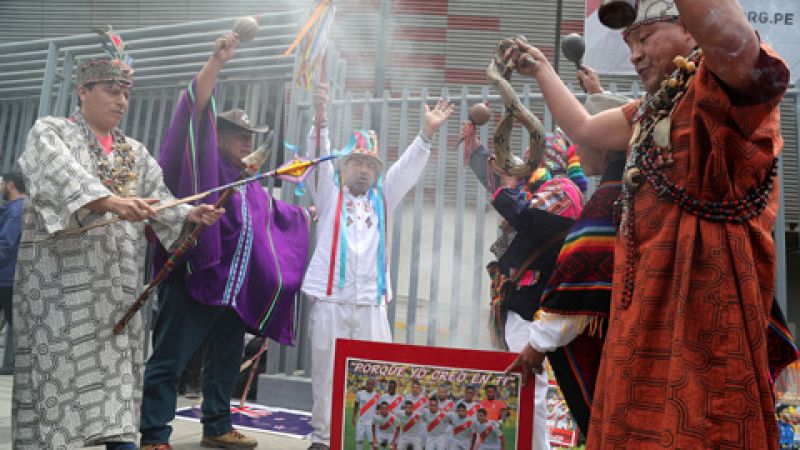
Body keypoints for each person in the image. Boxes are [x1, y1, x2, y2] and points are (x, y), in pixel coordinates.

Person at [507, 0, 798, 447]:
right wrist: (544, 69)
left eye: (645, 38)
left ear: (690, 28)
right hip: (643, 303)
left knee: (706, 422)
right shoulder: (652, 110)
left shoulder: (729, 87)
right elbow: (585, 128)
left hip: (708, 303)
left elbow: (731, 38)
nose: (635, 54)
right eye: (629, 43)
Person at [12, 45, 223, 449]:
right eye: (112, 90)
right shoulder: (51, 132)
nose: (121, 100)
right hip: (60, 294)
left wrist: (187, 214)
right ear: (83, 91)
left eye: (126, 92)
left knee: (117, 389)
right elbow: (59, 174)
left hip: (116, 291)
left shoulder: (134, 152)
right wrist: (110, 201)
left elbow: (157, 198)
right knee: (59, 387)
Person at [139, 31, 312, 450]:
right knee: (170, 359)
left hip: (235, 293)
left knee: (225, 364)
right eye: (239, 135)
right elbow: (192, 113)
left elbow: (271, 218)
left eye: (252, 138)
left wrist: (306, 216)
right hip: (197, 279)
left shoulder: (249, 182)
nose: (248, 143)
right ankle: (154, 435)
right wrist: (216, 64)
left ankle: (217, 425)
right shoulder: (203, 163)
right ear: (216, 136)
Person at [303, 82, 454, 450]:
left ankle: (367, 441)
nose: (362, 171)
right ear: (343, 167)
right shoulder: (327, 193)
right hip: (331, 303)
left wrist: (427, 133)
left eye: (369, 165)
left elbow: (405, 169)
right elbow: (316, 160)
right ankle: (323, 441)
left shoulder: (382, 199)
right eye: (356, 162)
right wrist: (319, 121)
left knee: (375, 378)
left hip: (372, 306)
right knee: (326, 378)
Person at [466, 121, 587, 450]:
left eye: (530, 159)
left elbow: (525, 213)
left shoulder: (565, 192)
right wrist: (476, 151)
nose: (524, 163)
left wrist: (506, 186)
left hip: (534, 309)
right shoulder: (541, 190)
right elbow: (504, 185)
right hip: (518, 307)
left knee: (528, 393)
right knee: (518, 390)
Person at [0, 172, 25, 375]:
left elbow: (5, 245)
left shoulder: (17, 211)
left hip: (6, 278)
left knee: (16, 323)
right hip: (9, 277)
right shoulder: (14, 209)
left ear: (10, 185)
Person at [353, 378, 381, 449]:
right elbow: (356, 405)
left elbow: (378, 408)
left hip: (372, 423)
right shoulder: (359, 393)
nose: (369, 386)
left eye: (371, 384)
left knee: (372, 443)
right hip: (361, 421)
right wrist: (353, 417)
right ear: (366, 385)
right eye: (368, 384)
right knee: (359, 441)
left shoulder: (377, 396)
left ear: (374, 385)